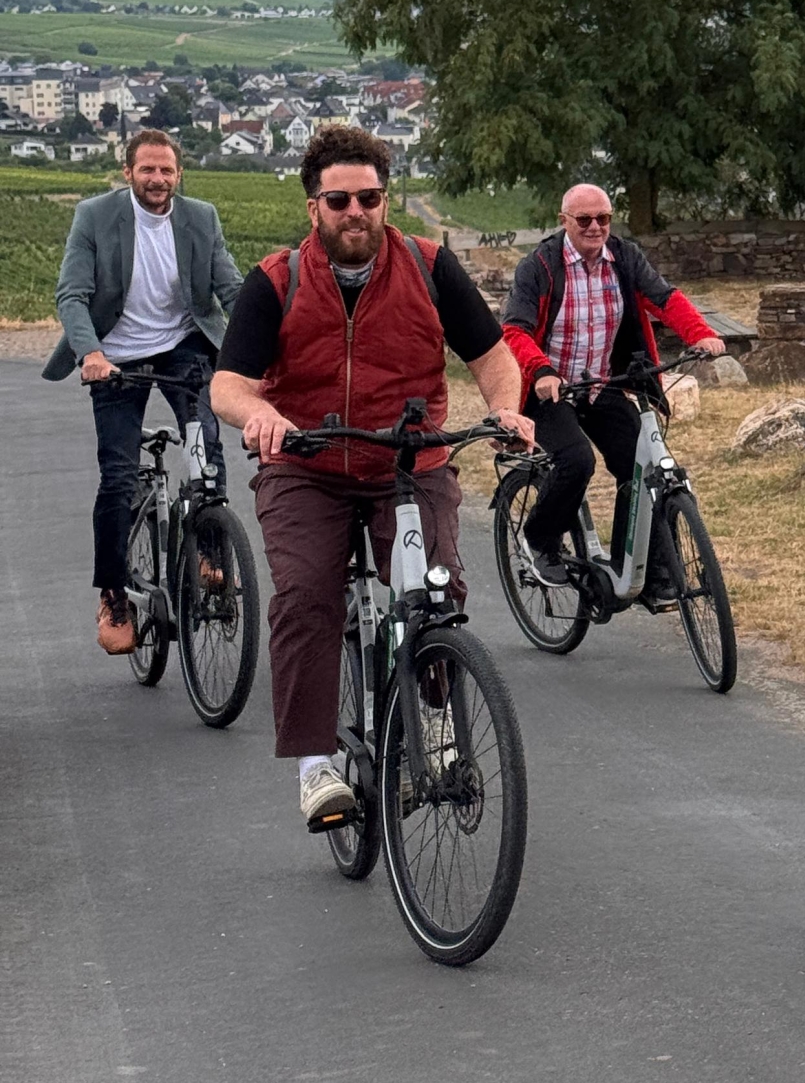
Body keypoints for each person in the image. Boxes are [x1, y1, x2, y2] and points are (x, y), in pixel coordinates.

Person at [208, 125, 535, 828]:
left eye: (370, 197)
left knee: (435, 590)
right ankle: (315, 764)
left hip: (407, 463)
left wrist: (505, 409)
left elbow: (492, 356)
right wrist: (261, 414)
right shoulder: (276, 280)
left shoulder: (427, 266)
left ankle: (439, 724)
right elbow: (228, 386)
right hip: (306, 464)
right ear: (313, 207)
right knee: (305, 597)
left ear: (385, 200)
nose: (355, 211)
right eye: (339, 200)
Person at [45, 128, 241, 654]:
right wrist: (91, 354)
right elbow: (73, 294)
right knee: (117, 477)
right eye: (148, 169)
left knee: (207, 447)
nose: (158, 179)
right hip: (115, 354)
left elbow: (231, 290)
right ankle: (114, 593)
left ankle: (211, 551)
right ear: (129, 171)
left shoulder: (201, 218)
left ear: (180, 174)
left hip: (184, 346)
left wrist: (258, 342)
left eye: (167, 170)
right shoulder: (95, 216)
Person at [500, 183, 725, 598]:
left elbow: (665, 298)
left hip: (602, 385)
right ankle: (539, 539)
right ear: (563, 220)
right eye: (583, 219)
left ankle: (646, 570)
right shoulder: (540, 266)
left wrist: (701, 334)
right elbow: (515, 328)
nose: (594, 227)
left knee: (648, 469)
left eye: (602, 218)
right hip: (550, 389)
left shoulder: (624, 257)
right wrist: (542, 370)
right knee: (576, 461)